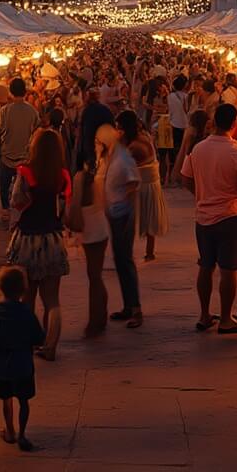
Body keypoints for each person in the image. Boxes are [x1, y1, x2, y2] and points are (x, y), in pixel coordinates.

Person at [181, 103, 237, 336]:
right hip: (230, 215)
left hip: (203, 216)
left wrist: (201, 193)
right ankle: (226, 318)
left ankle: (204, 314)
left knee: (206, 265)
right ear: (233, 123)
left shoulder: (199, 149)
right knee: (229, 269)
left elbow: (185, 178)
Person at [7, 129, 71, 361]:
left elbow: (16, 201)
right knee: (52, 300)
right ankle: (50, 346)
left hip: (27, 239)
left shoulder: (25, 171)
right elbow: (64, 209)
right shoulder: (62, 175)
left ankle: (27, 342)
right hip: (52, 239)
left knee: (27, 297)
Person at [0, 265, 45, 452]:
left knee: (6, 399)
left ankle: (9, 430)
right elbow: (38, 338)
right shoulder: (26, 313)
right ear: (24, 288)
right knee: (24, 401)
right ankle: (22, 434)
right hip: (23, 363)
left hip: (1, 364)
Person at [96, 122, 142, 328]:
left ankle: (135, 309)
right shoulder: (112, 157)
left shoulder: (123, 158)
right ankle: (128, 305)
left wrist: (129, 215)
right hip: (115, 214)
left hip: (123, 215)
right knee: (121, 261)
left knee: (126, 261)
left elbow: (133, 186)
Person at [67, 140, 109, 338]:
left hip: (90, 226)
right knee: (96, 275)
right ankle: (100, 316)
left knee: (94, 276)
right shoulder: (100, 172)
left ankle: (96, 321)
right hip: (100, 223)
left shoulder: (80, 176)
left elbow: (75, 205)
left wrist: (71, 224)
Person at [117, 110, 168, 262]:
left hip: (142, 184)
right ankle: (149, 252)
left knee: (132, 219)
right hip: (150, 182)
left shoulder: (135, 145)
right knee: (148, 218)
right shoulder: (143, 136)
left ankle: (129, 253)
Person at [0, 78, 40, 211]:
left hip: (7, 157)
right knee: (26, 191)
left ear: (11, 92)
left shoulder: (4, 111)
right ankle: (25, 211)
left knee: (3, 187)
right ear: (25, 91)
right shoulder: (32, 111)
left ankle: (5, 210)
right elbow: (36, 133)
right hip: (25, 159)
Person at [77, 89, 114, 172]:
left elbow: (84, 133)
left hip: (90, 146)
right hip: (104, 146)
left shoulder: (87, 111)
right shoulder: (106, 110)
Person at [168, 75, 190, 164]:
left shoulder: (170, 96)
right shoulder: (187, 97)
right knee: (182, 148)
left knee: (174, 147)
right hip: (185, 125)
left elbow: (170, 110)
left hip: (174, 124)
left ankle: (173, 163)